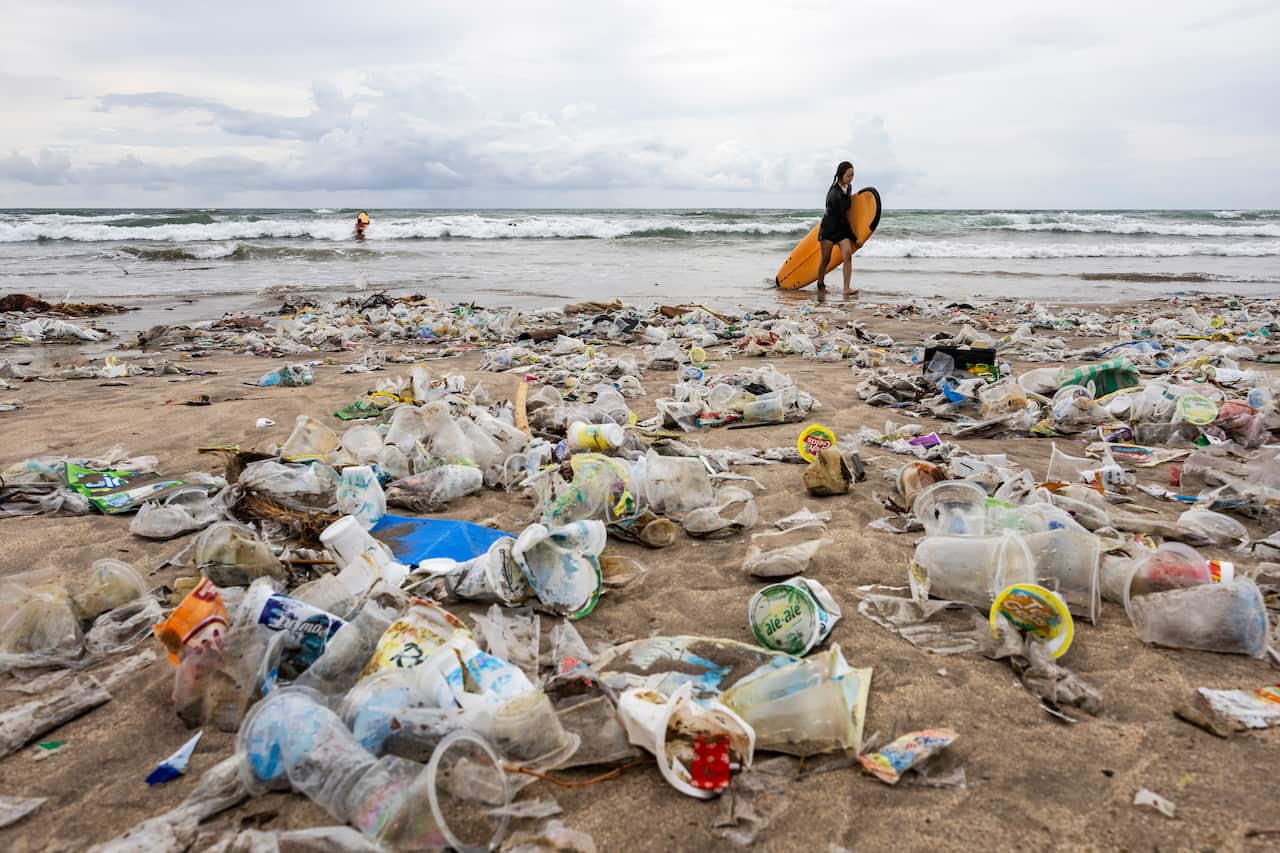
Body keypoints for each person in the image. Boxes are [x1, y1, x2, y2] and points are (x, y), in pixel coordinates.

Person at [816, 161, 861, 294]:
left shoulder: (849, 187)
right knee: (826, 259)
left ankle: (846, 288)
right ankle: (820, 285)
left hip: (841, 230)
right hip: (829, 229)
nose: (851, 178)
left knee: (847, 256)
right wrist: (854, 238)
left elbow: (848, 212)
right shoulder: (834, 194)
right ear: (841, 175)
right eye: (848, 176)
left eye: (852, 175)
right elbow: (842, 218)